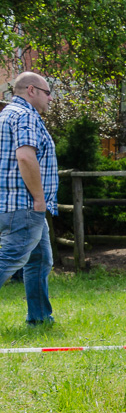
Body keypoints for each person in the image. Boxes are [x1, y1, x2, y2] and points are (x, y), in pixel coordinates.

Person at [0, 72, 58, 325]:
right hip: (24, 205)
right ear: (31, 90)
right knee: (11, 258)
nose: (51, 99)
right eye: (48, 93)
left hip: (9, 203)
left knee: (40, 257)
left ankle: (40, 317)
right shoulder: (25, 115)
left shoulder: (5, 115)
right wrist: (39, 199)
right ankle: (40, 317)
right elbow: (25, 157)